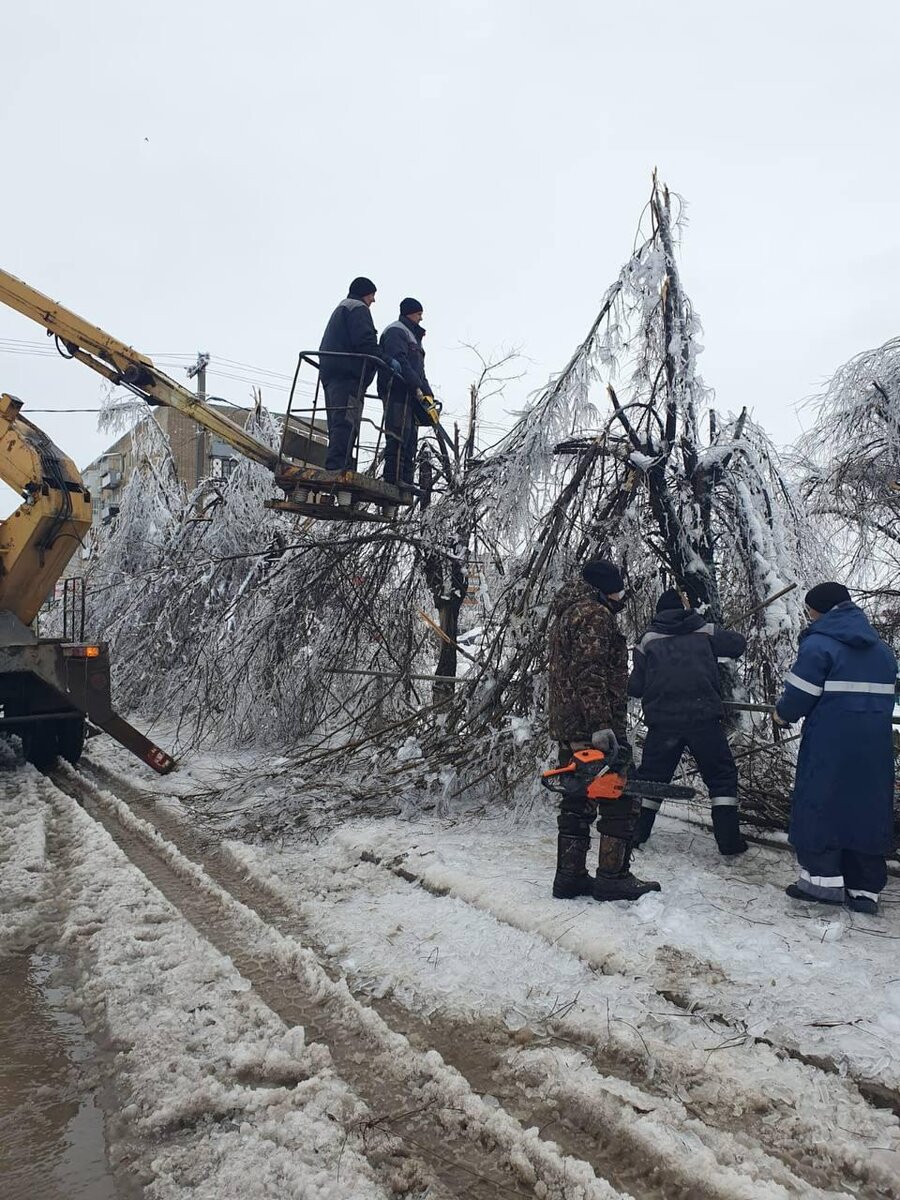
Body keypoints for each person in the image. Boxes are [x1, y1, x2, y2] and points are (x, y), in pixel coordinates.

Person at [774, 582, 897, 915]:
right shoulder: (883, 651)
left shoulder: (820, 645)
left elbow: (798, 697)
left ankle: (821, 884)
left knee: (821, 805)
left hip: (829, 744)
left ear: (820, 610)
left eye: (810, 610)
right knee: (866, 809)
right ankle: (865, 890)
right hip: (875, 747)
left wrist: (781, 714)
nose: (809, 616)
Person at [548, 558, 660, 901]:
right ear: (604, 588)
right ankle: (613, 877)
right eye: (617, 588)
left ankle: (570, 877)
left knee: (577, 802)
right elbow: (590, 672)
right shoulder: (595, 616)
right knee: (620, 800)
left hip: (571, 725)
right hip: (598, 728)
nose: (620, 595)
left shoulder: (569, 612)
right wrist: (601, 725)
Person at [628, 589, 748, 855]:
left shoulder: (648, 640)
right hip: (703, 720)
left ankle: (636, 834)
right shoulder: (705, 631)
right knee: (721, 778)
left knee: (652, 780)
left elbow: (636, 687)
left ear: (659, 613)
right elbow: (738, 645)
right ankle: (729, 842)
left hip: (663, 724)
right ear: (685, 609)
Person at [318, 277, 379, 472]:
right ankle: (337, 467)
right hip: (348, 374)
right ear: (364, 293)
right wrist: (382, 358)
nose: (373, 300)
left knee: (338, 421)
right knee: (346, 422)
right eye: (372, 295)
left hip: (332, 373)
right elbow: (365, 342)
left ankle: (340, 463)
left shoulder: (342, 308)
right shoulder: (358, 309)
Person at [376, 298, 433, 493]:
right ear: (410, 313)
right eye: (419, 314)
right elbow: (399, 360)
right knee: (398, 433)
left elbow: (420, 371)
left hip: (411, 392)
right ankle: (393, 478)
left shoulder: (414, 337)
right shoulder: (395, 331)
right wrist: (415, 385)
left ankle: (406, 479)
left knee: (410, 437)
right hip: (396, 389)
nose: (421, 318)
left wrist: (429, 395)